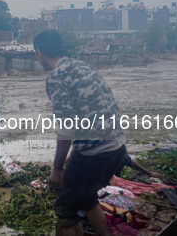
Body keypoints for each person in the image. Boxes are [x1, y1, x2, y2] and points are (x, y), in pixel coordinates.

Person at [33, 30, 126, 236]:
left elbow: (66, 125)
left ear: (39, 53)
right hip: (117, 148)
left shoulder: (56, 76)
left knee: (65, 208)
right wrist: (75, 151)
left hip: (96, 154)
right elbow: (94, 112)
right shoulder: (84, 67)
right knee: (86, 199)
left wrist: (57, 169)